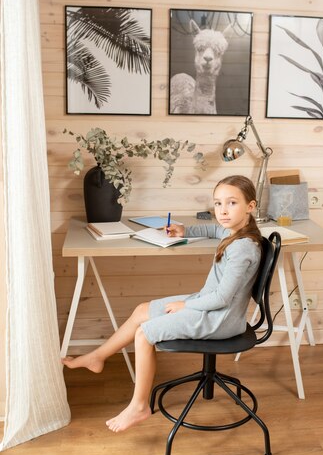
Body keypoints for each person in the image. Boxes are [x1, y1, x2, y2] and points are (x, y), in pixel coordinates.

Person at [62, 175, 263, 433]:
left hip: (218, 318)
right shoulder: (235, 231)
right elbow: (214, 230)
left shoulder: (242, 249)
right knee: (142, 311)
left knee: (144, 333)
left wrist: (185, 305)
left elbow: (222, 299)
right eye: (218, 203)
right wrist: (185, 230)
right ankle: (97, 357)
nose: (223, 210)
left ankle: (139, 405)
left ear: (250, 206)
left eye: (232, 203)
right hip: (208, 305)